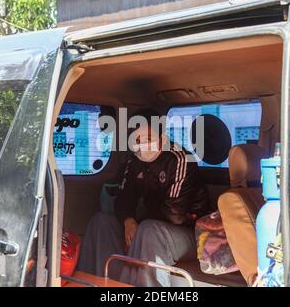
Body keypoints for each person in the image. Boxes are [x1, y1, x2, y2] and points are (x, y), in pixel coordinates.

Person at [77, 108, 209, 286]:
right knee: (101, 221)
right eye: (137, 140)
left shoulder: (181, 159)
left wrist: (137, 225)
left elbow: (175, 214)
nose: (142, 145)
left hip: (190, 233)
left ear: (162, 140)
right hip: (149, 225)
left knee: (148, 230)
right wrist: (128, 221)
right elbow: (124, 198)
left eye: (148, 139)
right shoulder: (135, 161)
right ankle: (95, 283)